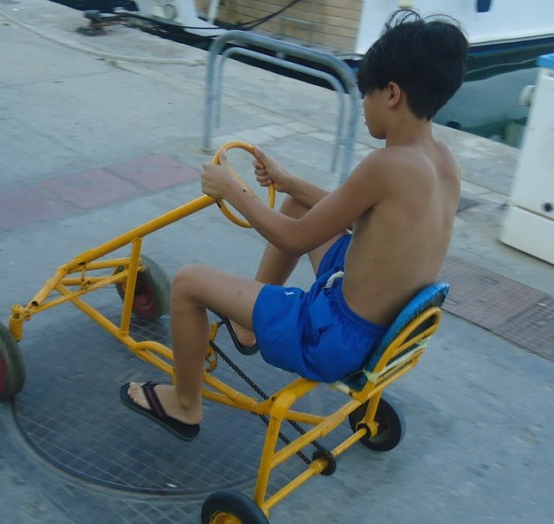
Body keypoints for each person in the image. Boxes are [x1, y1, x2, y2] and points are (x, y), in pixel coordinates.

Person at [120, 10, 469, 441]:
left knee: (189, 282)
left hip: (332, 336)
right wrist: (289, 183)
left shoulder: (386, 164)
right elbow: (367, 217)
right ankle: (247, 325)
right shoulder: (445, 163)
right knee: (298, 203)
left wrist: (232, 189)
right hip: (382, 325)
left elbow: (292, 239)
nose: (363, 106)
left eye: (367, 94)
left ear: (392, 94)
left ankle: (184, 405)